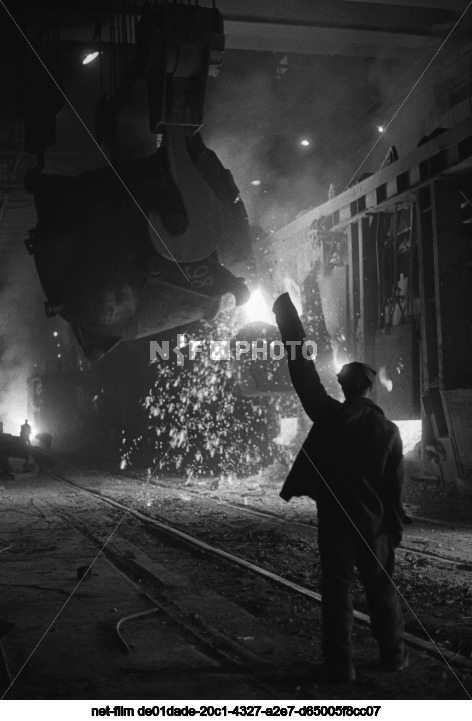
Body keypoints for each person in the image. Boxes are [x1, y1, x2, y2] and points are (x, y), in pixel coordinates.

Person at [272, 292, 406, 683]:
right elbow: (394, 488)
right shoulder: (388, 430)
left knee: (337, 594)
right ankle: (394, 656)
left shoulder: (328, 415)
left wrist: (286, 314)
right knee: (381, 589)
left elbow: (303, 373)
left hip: (336, 523)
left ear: (344, 387)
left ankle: (340, 665)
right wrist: (393, 524)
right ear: (369, 389)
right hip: (375, 524)